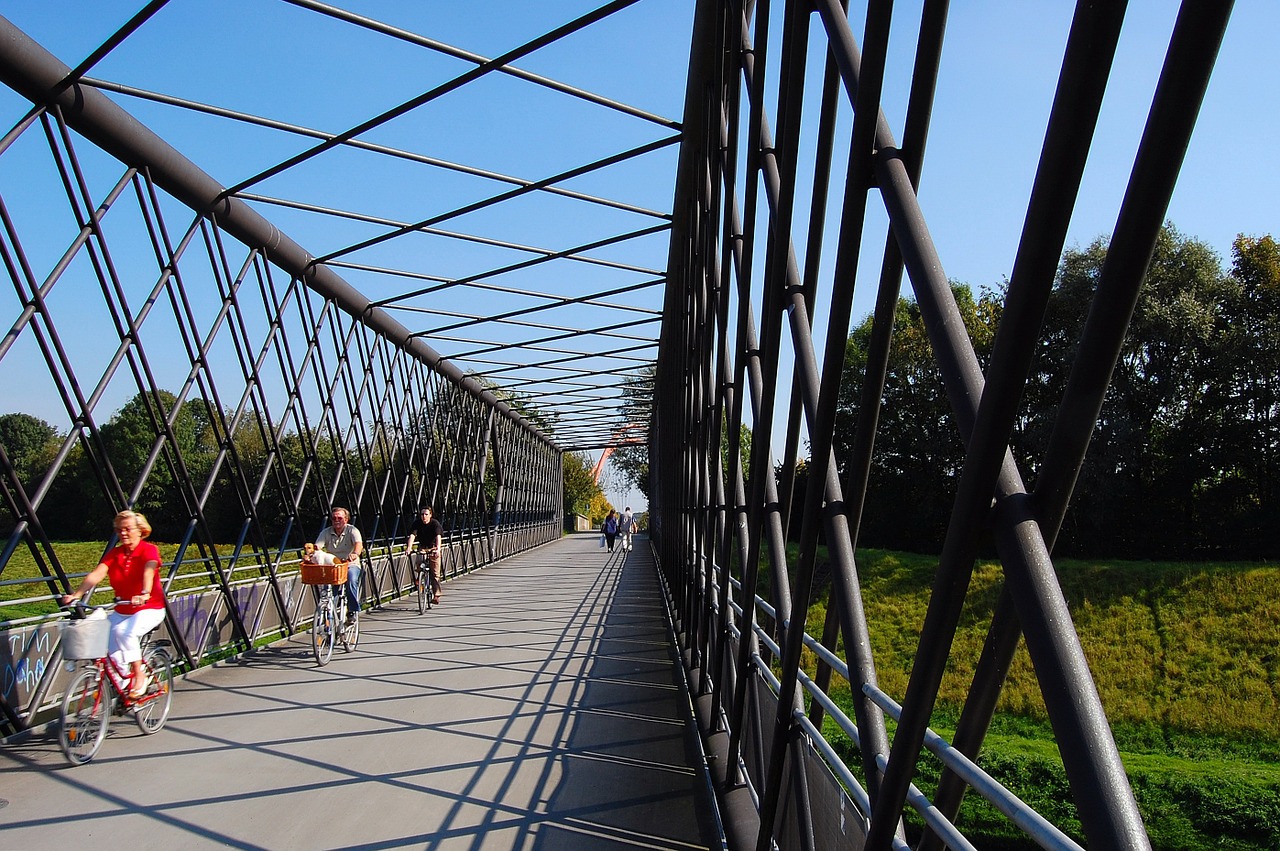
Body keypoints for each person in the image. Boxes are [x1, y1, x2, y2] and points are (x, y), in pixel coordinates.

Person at [61, 510, 167, 699]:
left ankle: (139, 674)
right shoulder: (115, 553)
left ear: (140, 530)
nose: (123, 533)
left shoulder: (149, 550)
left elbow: (149, 570)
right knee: (107, 646)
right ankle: (123, 689)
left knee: (124, 633)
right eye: (119, 530)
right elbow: (97, 574)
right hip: (123, 610)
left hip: (150, 608)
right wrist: (76, 594)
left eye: (127, 529)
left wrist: (144, 593)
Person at [315, 507, 363, 623]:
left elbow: (358, 544)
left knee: (351, 580)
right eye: (334, 518)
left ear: (346, 520)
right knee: (328, 590)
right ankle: (329, 615)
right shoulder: (326, 532)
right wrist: (312, 553)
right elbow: (318, 546)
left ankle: (352, 611)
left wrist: (355, 554)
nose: (336, 520)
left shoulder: (352, 530)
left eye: (340, 518)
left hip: (350, 563)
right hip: (333, 566)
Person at [405, 506, 444, 605]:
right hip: (423, 547)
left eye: (426, 514)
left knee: (435, 574)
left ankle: (436, 595)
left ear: (430, 515)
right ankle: (420, 578)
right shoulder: (417, 524)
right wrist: (409, 547)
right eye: (422, 514)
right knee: (419, 561)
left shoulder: (435, 524)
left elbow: (438, 536)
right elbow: (412, 535)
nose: (424, 516)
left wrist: (438, 549)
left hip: (433, 548)